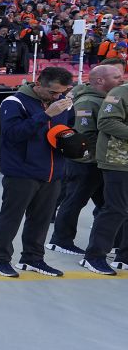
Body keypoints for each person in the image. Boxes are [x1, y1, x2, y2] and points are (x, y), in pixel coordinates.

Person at [0, 66, 74, 278]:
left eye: (62, 92)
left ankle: (33, 259)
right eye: (53, 92)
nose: (58, 96)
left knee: (42, 219)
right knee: (11, 218)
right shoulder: (13, 102)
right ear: (38, 84)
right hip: (22, 172)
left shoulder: (63, 104)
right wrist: (46, 115)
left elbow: (64, 131)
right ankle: (0, 260)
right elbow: (12, 135)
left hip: (52, 172)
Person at [46, 64, 122, 256]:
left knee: (108, 205)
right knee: (74, 201)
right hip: (86, 163)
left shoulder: (104, 99)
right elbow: (85, 134)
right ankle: (60, 240)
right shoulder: (88, 101)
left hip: (98, 162)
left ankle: (114, 241)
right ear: (99, 80)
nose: (121, 80)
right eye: (116, 77)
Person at [80, 76, 128, 275]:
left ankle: (124, 257)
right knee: (115, 209)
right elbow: (106, 123)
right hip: (118, 160)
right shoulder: (121, 92)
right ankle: (94, 256)